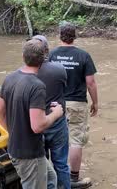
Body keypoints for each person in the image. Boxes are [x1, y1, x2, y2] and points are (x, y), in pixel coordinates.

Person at [0, 38, 63, 189]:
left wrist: (13, 132)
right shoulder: (37, 86)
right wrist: (56, 113)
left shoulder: (10, 78)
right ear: (43, 60)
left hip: (15, 148)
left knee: (51, 178)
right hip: (30, 153)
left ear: (23, 56)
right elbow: (38, 126)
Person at [48, 22, 98, 188]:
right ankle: (74, 178)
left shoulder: (52, 55)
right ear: (75, 36)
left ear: (60, 35)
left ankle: (53, 175)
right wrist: (95, 103)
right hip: (77, 103)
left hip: (56, 103)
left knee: (55, 139)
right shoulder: (83, 55)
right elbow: (90, 83)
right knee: (76, 140)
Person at [34, 35, 71, 189]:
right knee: (61, 164)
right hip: (57, 121)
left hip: (38, 122)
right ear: (47, 51)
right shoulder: (59, 69)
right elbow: (64, 88)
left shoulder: (28, 72)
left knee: (42, 166)